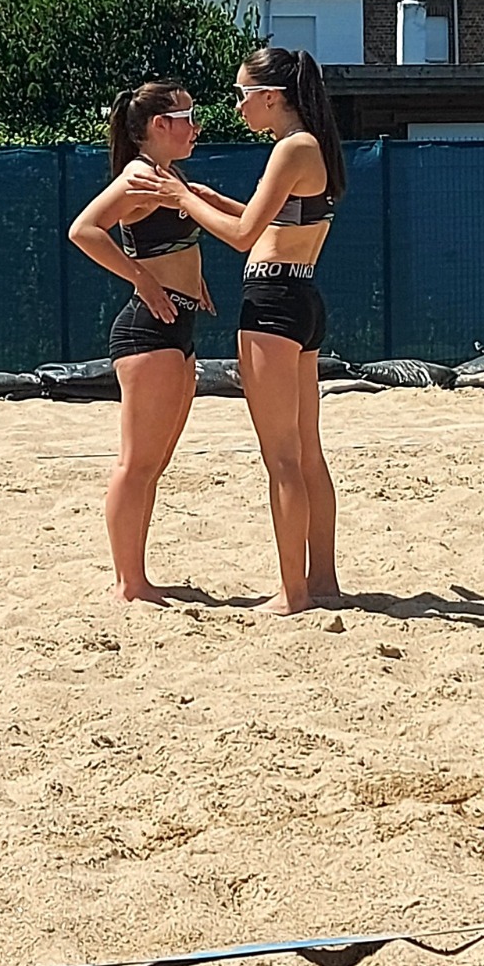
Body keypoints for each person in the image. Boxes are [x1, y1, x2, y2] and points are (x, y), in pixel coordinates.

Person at [128, 46, 344, 615]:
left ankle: (292, 593)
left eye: (244, 94)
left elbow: (246, 234)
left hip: (272, 300)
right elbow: (274, 216)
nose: (239, 106)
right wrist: (207, 198)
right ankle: (321, 580)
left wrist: (179, 197)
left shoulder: (291, 146)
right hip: (302, 296)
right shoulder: (314, 146)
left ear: (272, 97)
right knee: (309, 455)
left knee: (283, 460)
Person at [67, 81, 210, 604]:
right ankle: (130, 581)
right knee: (138, 462)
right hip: (147, 330)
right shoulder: (137, 178)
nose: (195, 126)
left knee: (156, 460)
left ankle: (136, 575)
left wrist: (195, 284)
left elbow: (170, 243)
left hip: (179, 324)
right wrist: (143, 280)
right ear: (157, 126)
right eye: (187, 116)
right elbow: (84, 230)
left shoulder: (168, 177)